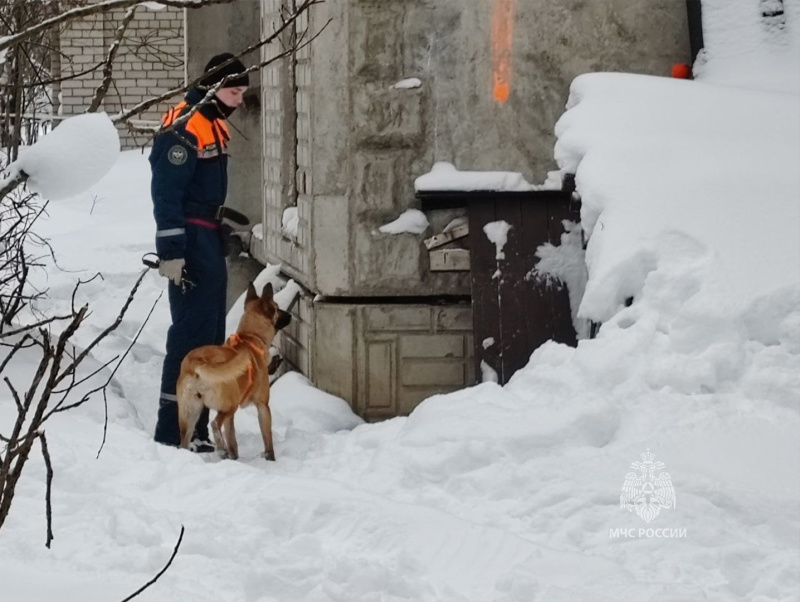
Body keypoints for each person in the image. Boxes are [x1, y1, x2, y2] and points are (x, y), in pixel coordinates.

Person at [151, 53, 249, 450]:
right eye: (233, 92)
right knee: (189, 340)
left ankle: (198, 430)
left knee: (211, 338)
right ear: (213, 87)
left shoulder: (212, 123)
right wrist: (172, 251)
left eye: (242, 93)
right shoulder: (184, 127)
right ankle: (172, 432)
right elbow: (167, 194)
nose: (239, 101)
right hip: (191, 241)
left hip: (208, 238)